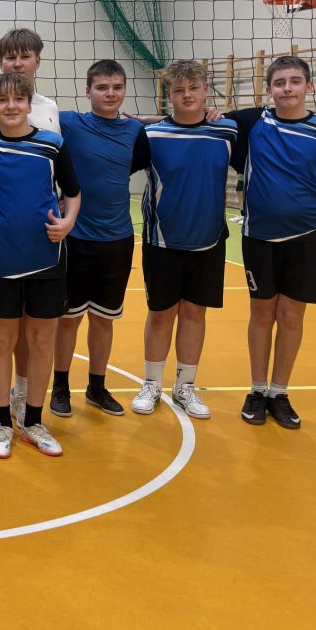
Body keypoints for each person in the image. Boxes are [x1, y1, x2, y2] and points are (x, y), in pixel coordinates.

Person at [0, 72, 80, 459]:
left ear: (30, 104)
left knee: (42, 341)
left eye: (18, 99)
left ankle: (34, 421)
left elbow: (73, 193)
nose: (11, 106)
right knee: (2, 340)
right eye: (3, 100)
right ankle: (2, 422)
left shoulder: (53, 144)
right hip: (0, 260)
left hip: (46, 257)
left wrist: (68, 222)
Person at [229, 56, 316, 428]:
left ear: (309, 86)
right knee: (262, 314)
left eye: (295, 81)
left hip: (309, 237)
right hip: (259, 236)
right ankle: (256, 390)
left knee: (290, 316)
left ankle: (279, 393)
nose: (287, 88)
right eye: (280, 82)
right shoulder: (252, 122)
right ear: (269, 89)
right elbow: (202, 117)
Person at [132, 60, 239, 422]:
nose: (187, 95)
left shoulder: (227, 131)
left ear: (206, 90)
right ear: (169, 95)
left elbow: (266, 156)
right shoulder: (152, 136)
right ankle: (151, 384)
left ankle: (185, 387)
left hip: (208, 240)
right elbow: (112, 168)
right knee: (160, 314)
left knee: (194, 313)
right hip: (162, 240)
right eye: (179, 90)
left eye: (194, 88)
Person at [51, 60, 148, 418]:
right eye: (102, 87)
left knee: (103, 319)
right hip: (77, 237)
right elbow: (29, 110)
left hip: (118, 238)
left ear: (124, 90)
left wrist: (151, 118)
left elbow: (168, 129)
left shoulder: (135, 131)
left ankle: (96, 386)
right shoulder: (70, 122)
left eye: (117, 87)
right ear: (88, 90)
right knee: (69, 318)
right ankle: (61, 387)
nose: (110, 94)